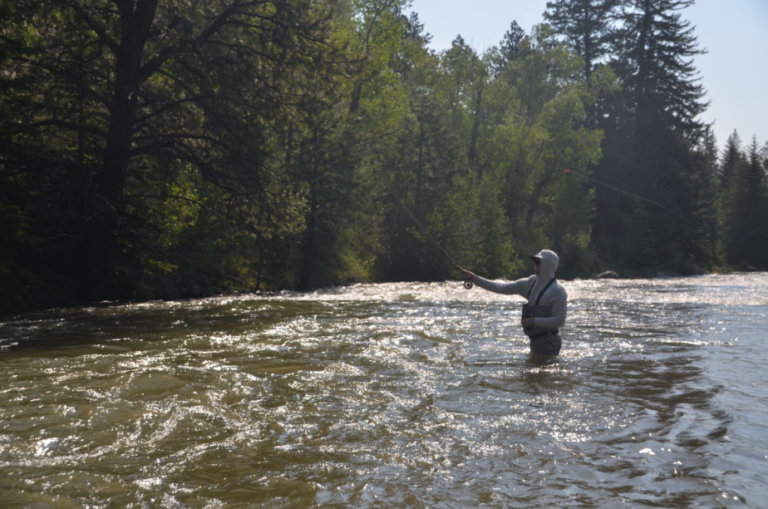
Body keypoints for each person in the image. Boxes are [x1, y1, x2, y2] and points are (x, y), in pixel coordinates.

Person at [461, 249, 567, 357]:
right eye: (534, 261)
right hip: (535, 341)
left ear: (548, 265)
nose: (535, 264)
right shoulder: (530, 283)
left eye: (538, 261)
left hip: (550, 342)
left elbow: (559, 321)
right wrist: (475, 279)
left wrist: (533, 321)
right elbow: (501, 288)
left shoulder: (558, 291)